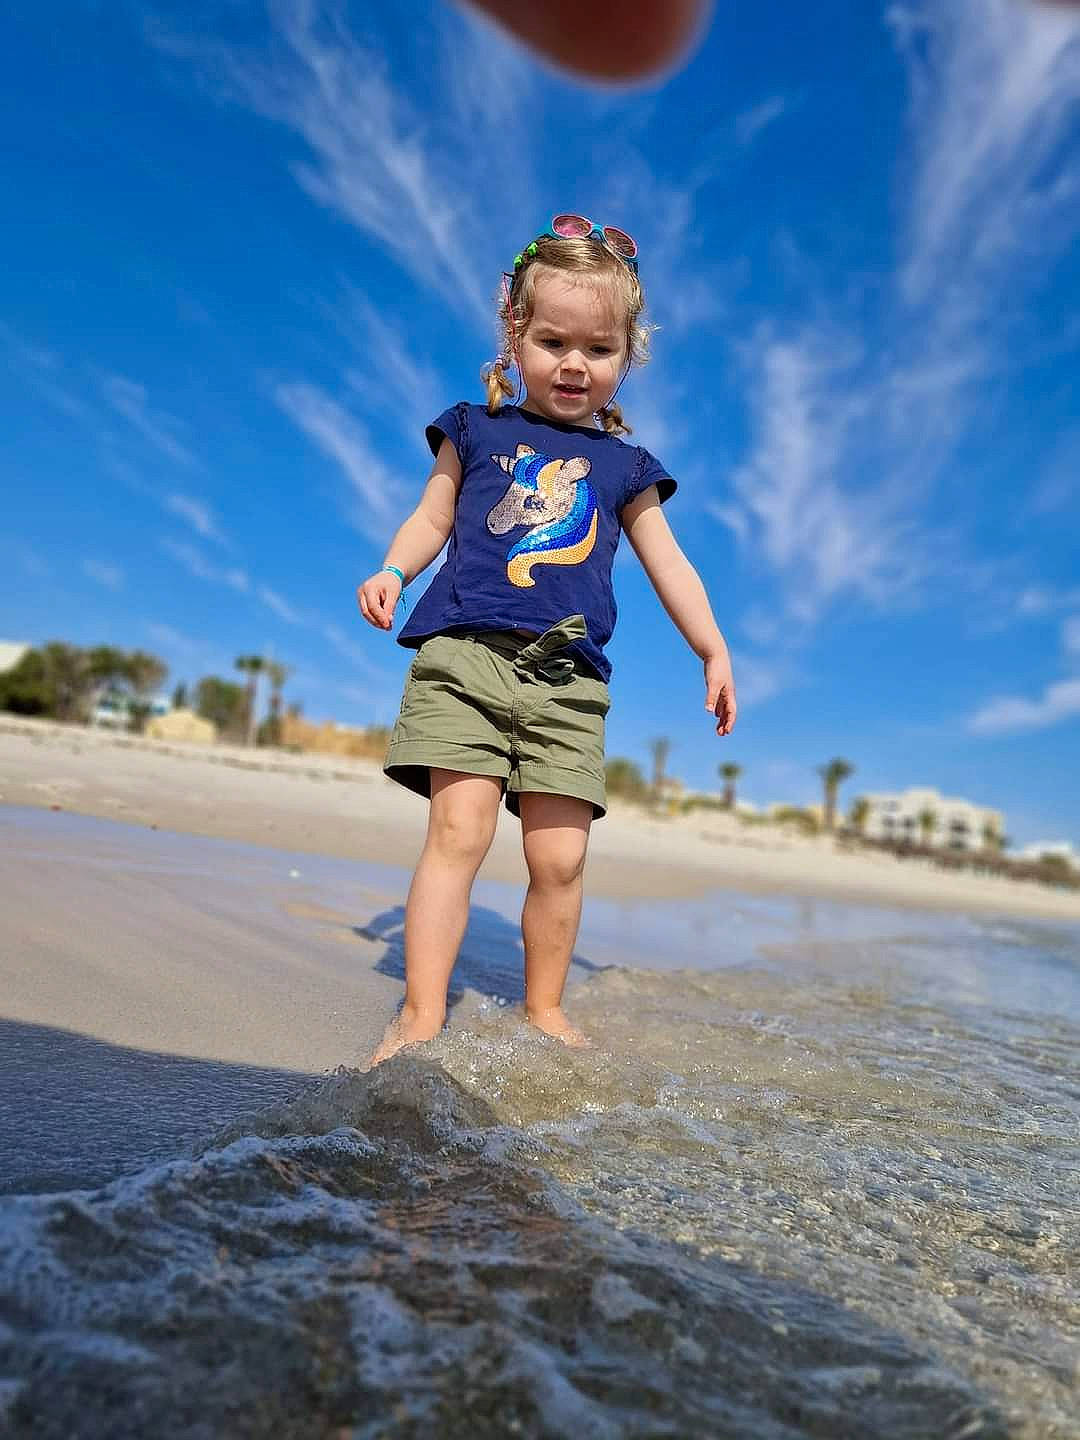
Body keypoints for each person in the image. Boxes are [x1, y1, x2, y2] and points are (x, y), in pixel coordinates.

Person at [357, 214, 736, 1067]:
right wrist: (394, 568)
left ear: (626, 356)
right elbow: (434, 515)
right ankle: (421, 1013)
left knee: (560, 859)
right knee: (458, 833)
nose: (574, 363)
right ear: (515, 334)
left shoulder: (625, 468)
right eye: (554, 340)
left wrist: (711, 648)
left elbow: (671, 564)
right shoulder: (474, 429)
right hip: (465, 655)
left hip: (567, 678)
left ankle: (545, 1009)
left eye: (598, 349)